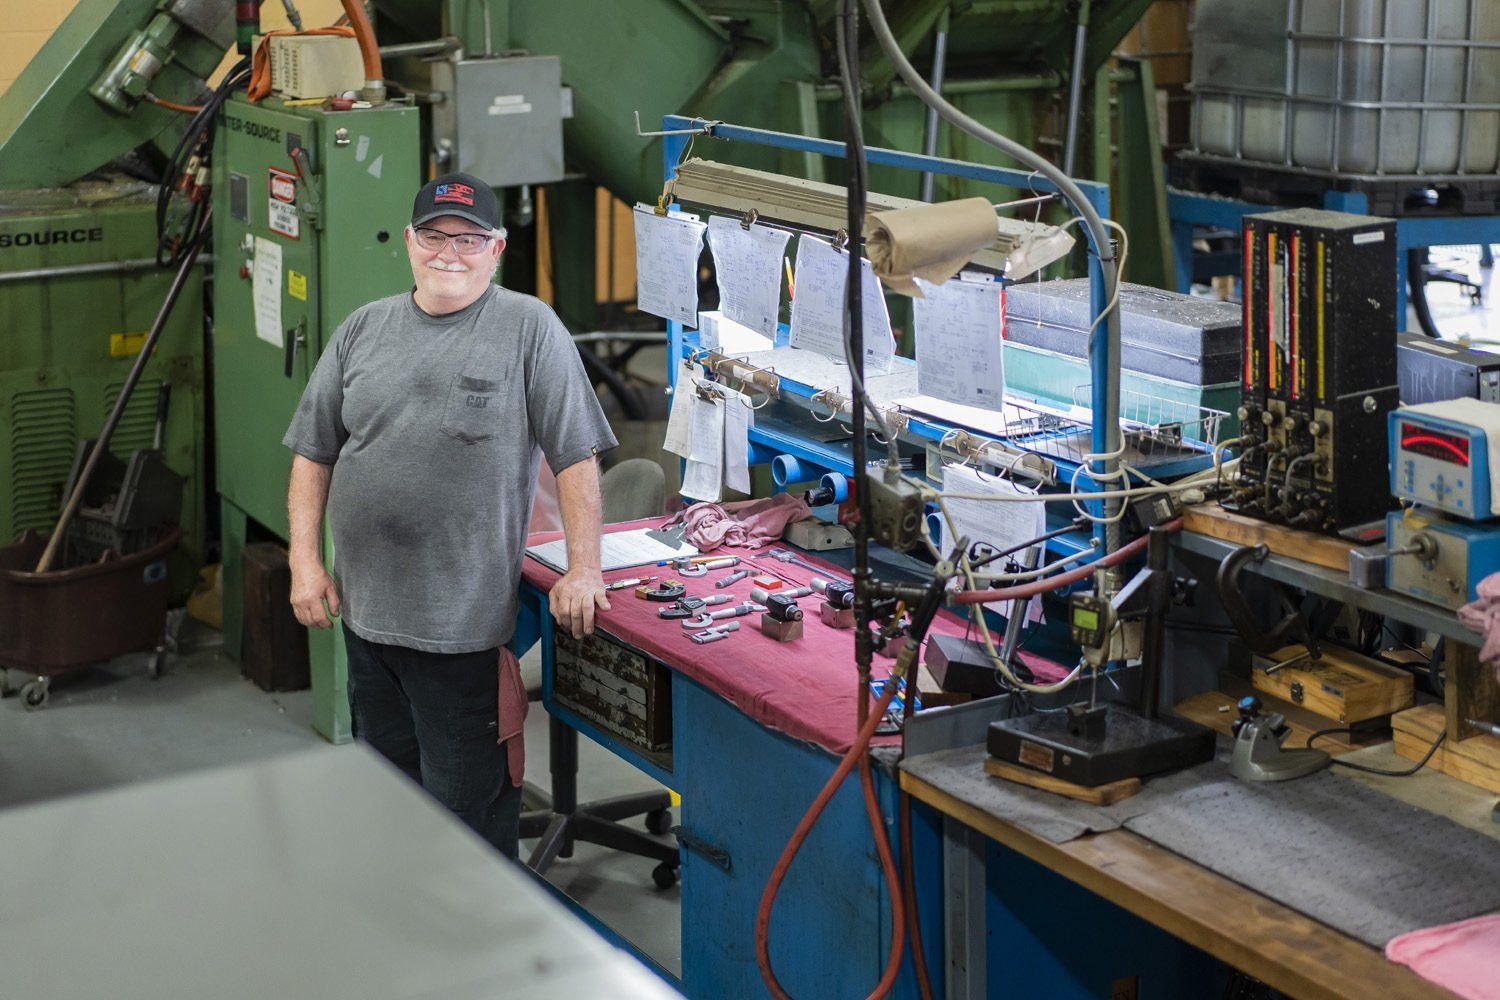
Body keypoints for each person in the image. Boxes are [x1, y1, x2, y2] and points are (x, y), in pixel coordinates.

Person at [282, 172, 616, 858]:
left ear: (497, 250)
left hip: (461, 635)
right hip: (367, 624)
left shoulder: (529, 328)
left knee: (467, 823)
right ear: (409, 241)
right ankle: (407, 915)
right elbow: (313, 452)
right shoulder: (362, 329)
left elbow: (576, 456)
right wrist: (304, 562)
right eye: (435, 236)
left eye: (469, 240)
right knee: (388, 798)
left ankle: (473, 926)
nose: (449, 254)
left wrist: (585, 568)